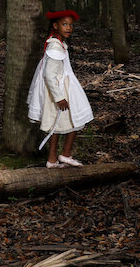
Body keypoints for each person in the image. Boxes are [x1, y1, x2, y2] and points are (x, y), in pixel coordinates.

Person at [27, 9, 94, 168]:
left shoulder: (57, 44)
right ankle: (65, 154)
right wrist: (59, 97)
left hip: (61, 87)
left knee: (58, 125)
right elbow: (49, 75)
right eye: (64, 24)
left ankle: (53, 159)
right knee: (75, 120)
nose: (69, 28)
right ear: (55, 26)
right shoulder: (55, 47)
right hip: (57, 91)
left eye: (70, 25)